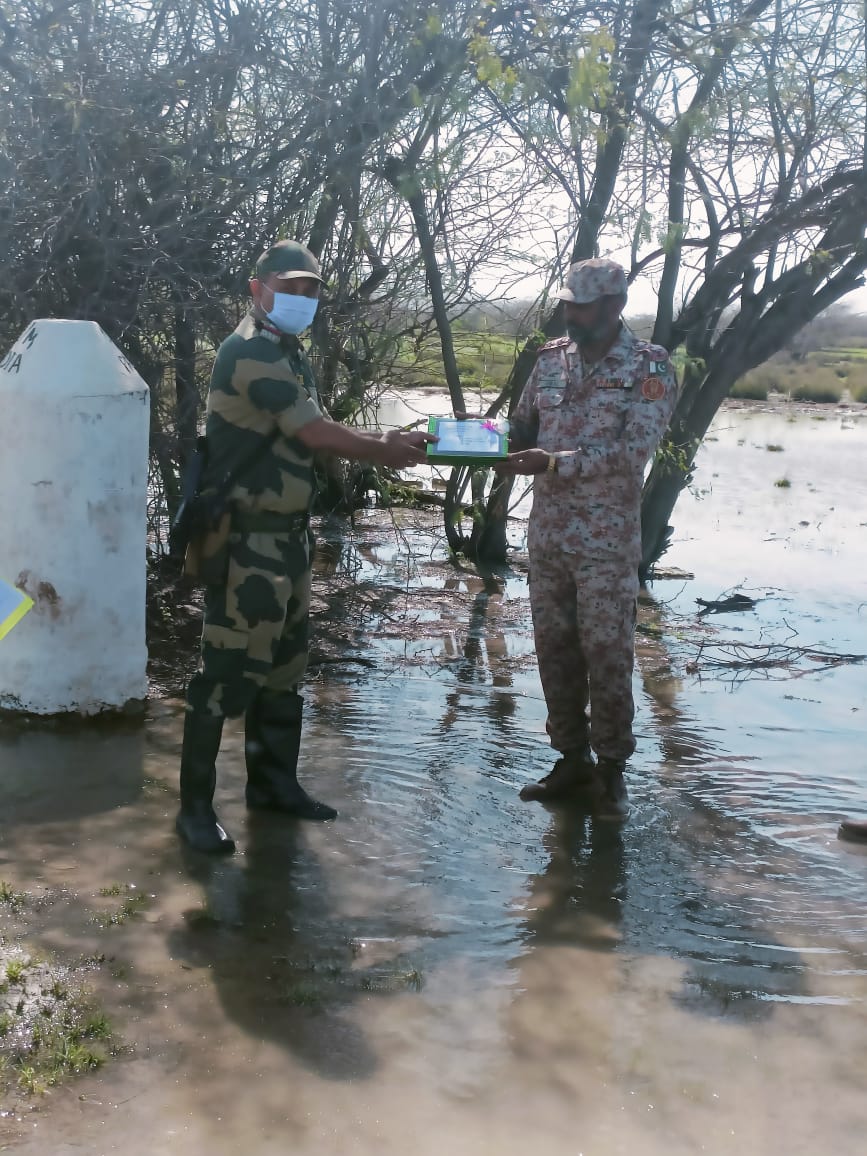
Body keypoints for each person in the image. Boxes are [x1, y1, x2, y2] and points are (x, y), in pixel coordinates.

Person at [177, 240, 435, 854]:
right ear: (256, 287)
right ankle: (192, 811)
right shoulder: (251, 351)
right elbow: (314, 431)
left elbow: (308, 433)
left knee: (286, 671)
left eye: (311, 289)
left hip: (288, 541)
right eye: (289, 287)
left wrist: (381, 441)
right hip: (245, 544)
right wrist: (382, 447)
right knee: (221, 676)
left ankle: (273, 788)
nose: (302, 299)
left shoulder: (290, 352)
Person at [498, 258, 678, 821]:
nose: (570, 312)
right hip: (548, 538)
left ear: (614, 306)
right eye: (568, 302)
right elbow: (521, 426)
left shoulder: (649, 367)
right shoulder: (551, 360)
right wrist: (460, 438)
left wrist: (553, 463)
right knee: (555, 652)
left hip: (605, 543)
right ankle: (570, 760)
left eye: (581, 304)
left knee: (607, 655)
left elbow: (632, 454)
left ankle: (612, 773)